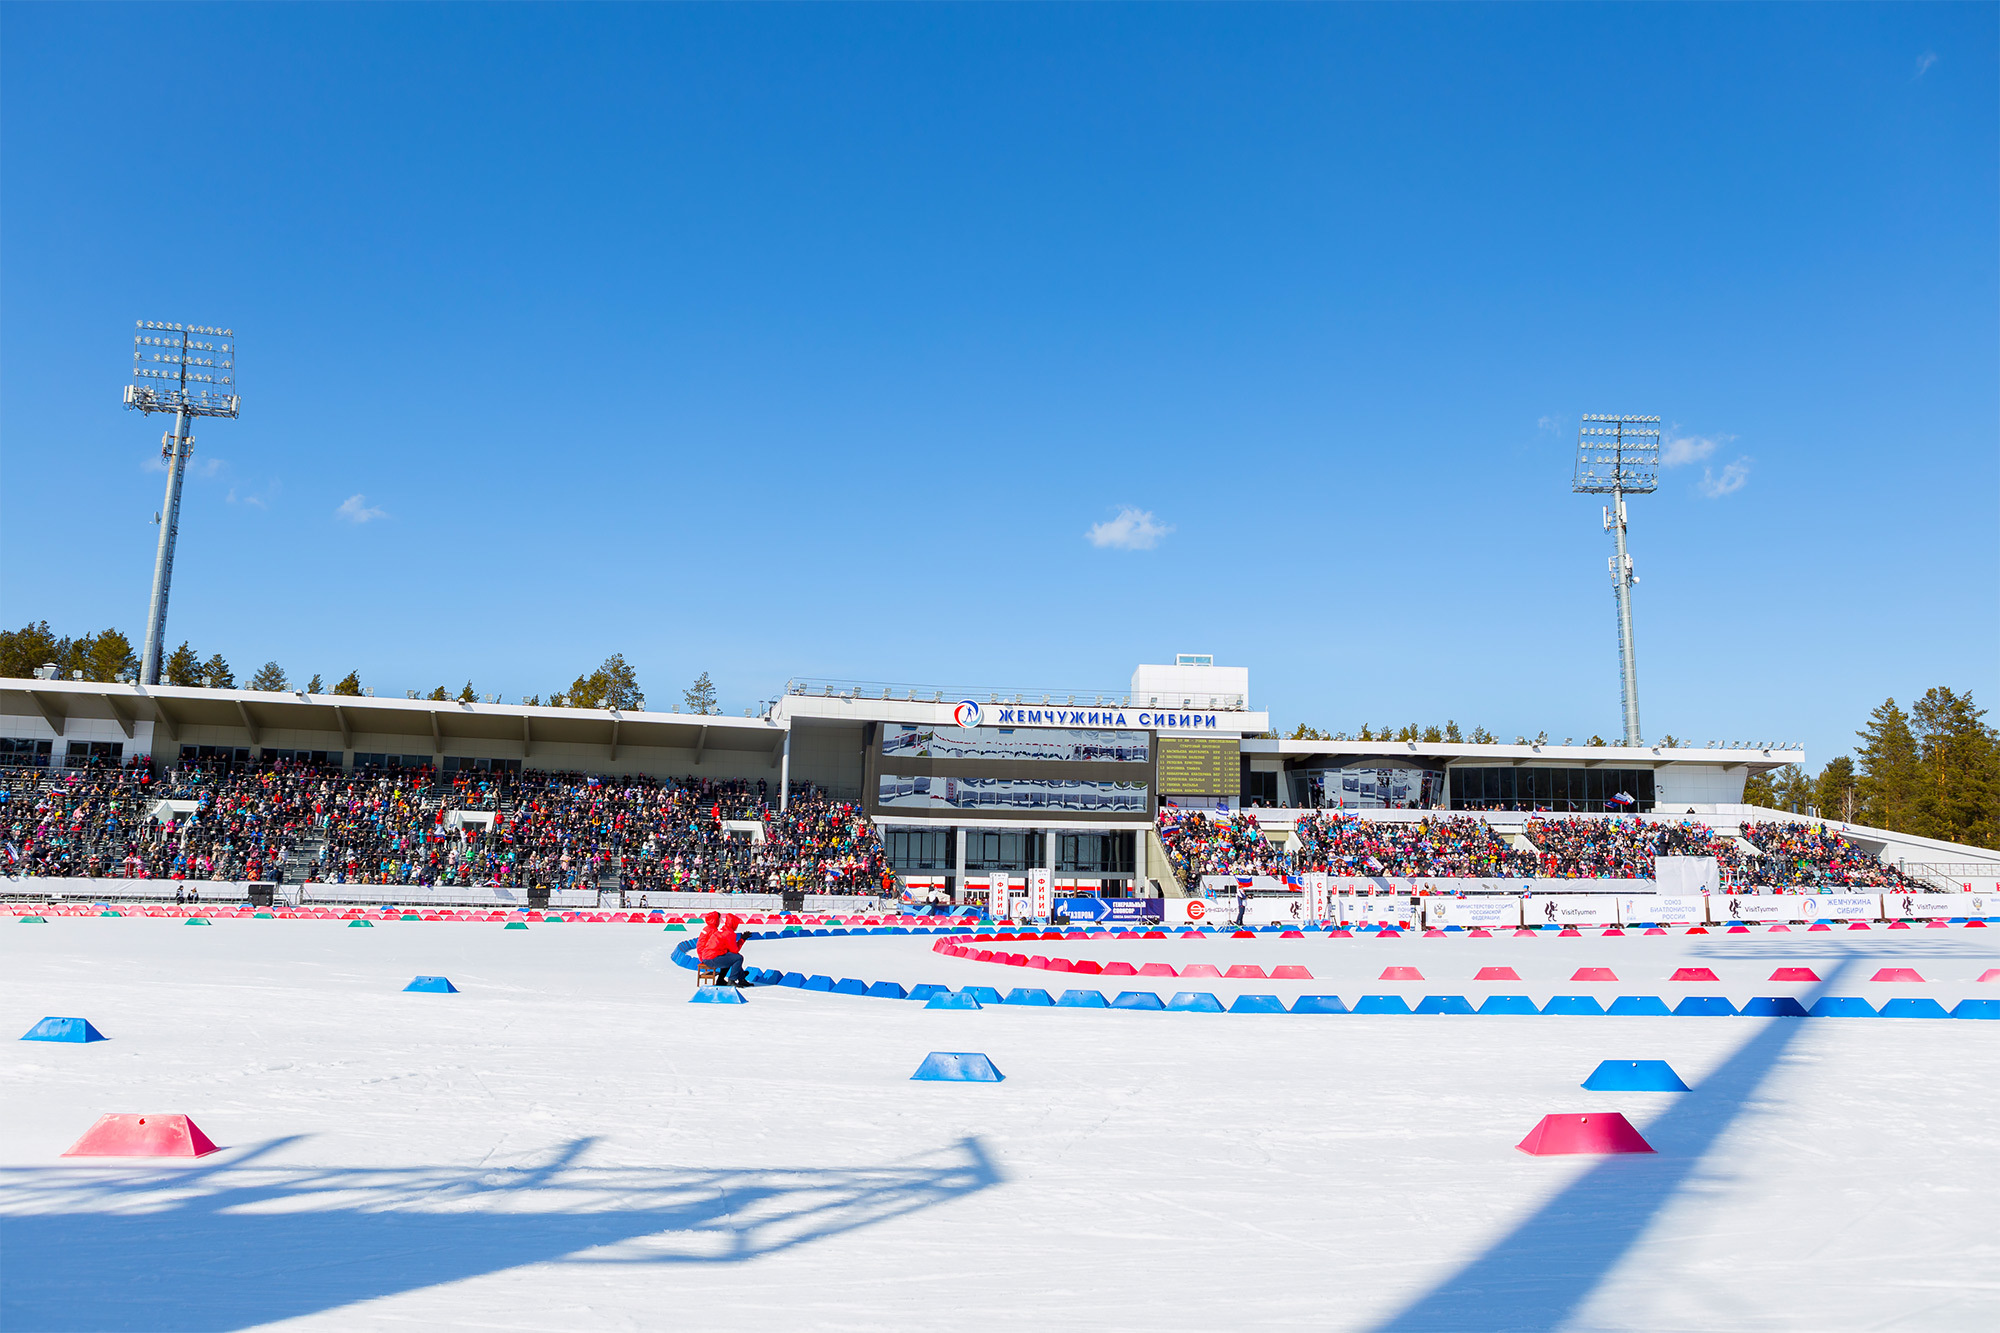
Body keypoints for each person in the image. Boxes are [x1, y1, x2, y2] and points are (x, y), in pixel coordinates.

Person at [695, 910, 749, 986]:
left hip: (706, 955)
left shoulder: (718, 930)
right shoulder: (721, 932)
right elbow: (735, 950)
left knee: (730, 957)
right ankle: (733, 980)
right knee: (737, 958)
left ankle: (740, 977)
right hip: (711, 957)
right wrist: (742, 939)